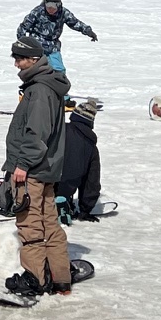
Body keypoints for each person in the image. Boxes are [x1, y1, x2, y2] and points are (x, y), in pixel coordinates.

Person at [2, 38, 72, 298]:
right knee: (48, 222)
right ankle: (59, 278)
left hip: (33, 169)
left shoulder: (40, 89)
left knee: (30, 224)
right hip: (46, 168)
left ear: (33, 59)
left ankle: (36, 279)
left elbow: (36, 132)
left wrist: (22, 164)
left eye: (19, 58)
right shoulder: (46, 86)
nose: (16, 64)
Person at [16, 0, 96, 74]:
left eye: (53, 6)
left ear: (58, 5)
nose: (50, 9)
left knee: (59, 70)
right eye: (48, 6)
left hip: (53, 47)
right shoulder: (37, 12)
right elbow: (23, 28)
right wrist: (24, 46)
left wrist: (88, 31)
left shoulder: (63, 13)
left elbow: (75, 23)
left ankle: (58, 84)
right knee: (37, 70)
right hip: (37, 47)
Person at [55, 96, 103, 225]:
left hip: (44, 182)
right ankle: (63, 201)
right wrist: (85, 209)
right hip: (68, 186)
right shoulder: (91, 147)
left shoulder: (58, 130)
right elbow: (91, 181)